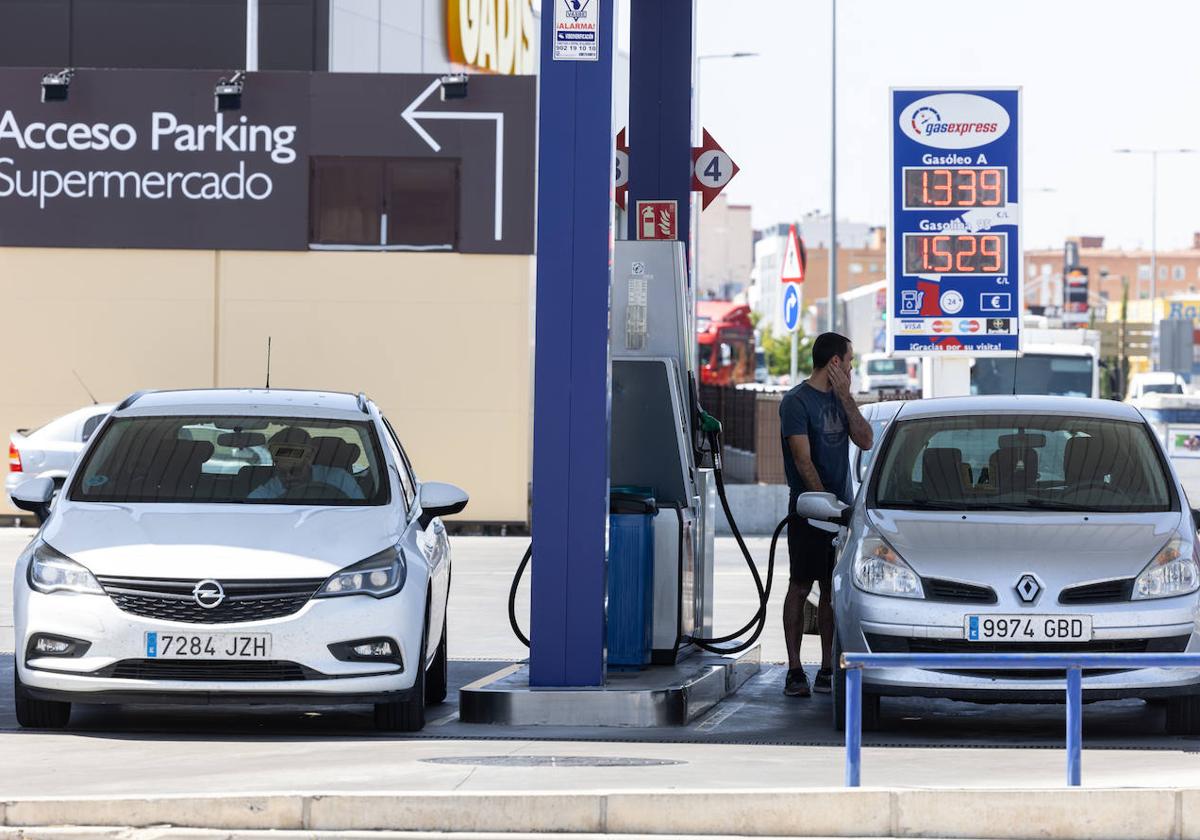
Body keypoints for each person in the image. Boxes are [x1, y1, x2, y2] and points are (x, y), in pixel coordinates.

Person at [779, 332, 873, 697]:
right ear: (835, 362)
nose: (851, 367)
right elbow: (802, 461)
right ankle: (794, 669)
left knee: (831, 592)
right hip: (808, 509)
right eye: (849, 361)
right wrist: (821, 502)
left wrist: (846, 398)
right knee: (800, 586)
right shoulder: (796, 402)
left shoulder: (841, 400)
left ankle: (827, 668)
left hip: (840, 514)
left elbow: (865, 440)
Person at [248, 427, 365, 501]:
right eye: (282, 473)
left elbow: (364, 514)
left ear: (309, 459)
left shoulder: (340, 479)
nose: (288, 477)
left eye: (295, 470)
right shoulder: (272, 489)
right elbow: (250, 509)